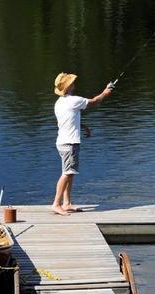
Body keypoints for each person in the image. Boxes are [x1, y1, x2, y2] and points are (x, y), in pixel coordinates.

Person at [52, 73, 113, 216]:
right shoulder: (73, 100)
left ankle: (66, 203)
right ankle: (56, 204)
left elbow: (68, 120)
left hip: (63, 142)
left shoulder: (59, 102)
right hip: (69, 143)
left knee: (70, 173)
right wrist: (105, 93)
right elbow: (94, 102)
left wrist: (82, 126)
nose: (74, 84)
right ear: (68, 87)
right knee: (67, 173)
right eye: (72, 83)